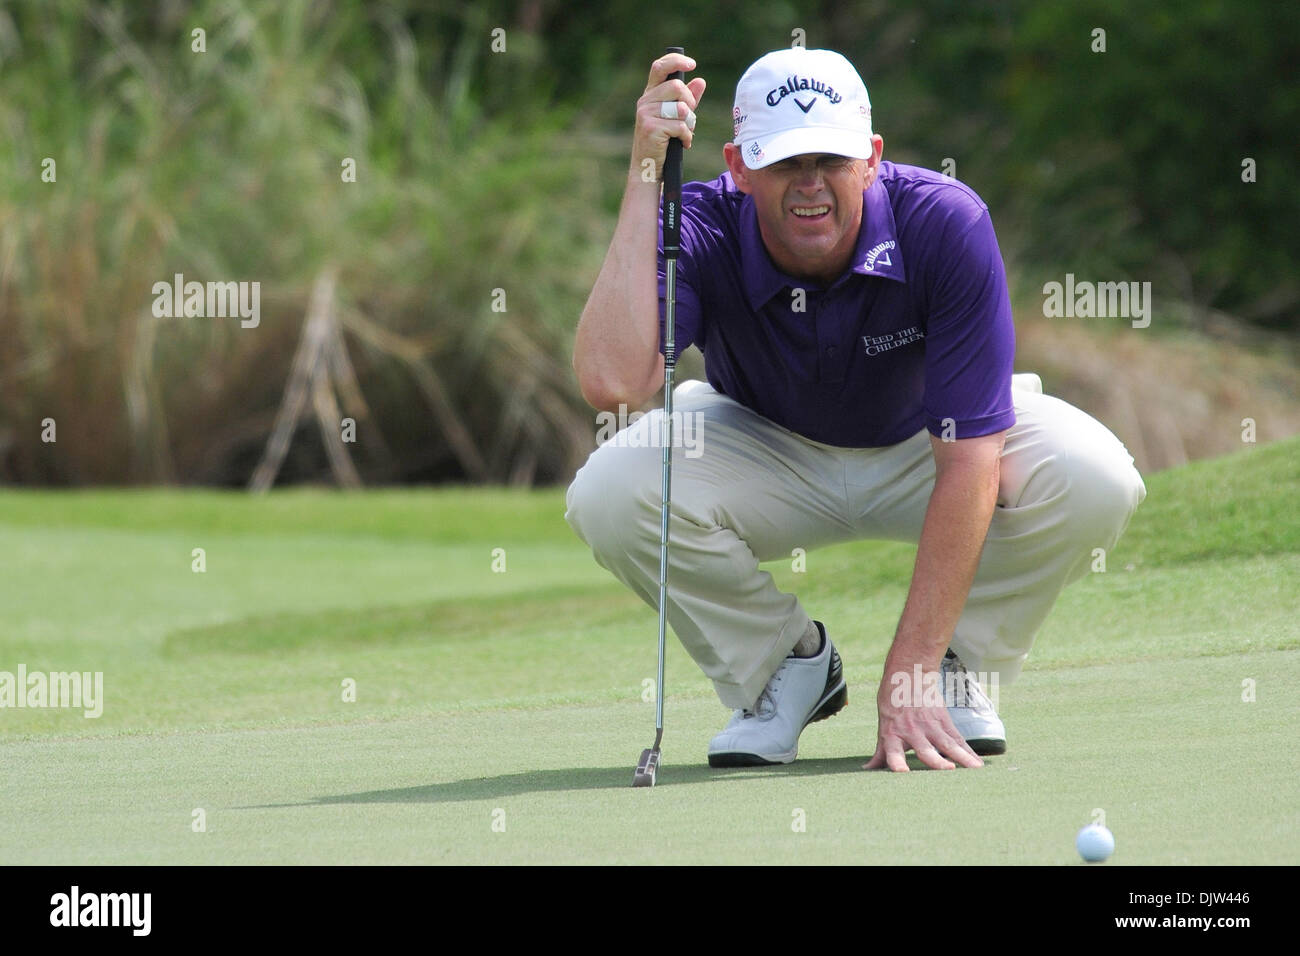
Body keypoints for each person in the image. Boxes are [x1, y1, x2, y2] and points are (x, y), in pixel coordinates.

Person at [565, 48, 1146, 772]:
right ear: (738, 167)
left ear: (870, 159)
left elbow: (969, 457)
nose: (809, 185)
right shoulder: (701, 225)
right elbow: (611, 381)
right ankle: (785, 669)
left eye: (830, 160)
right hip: (762, 444)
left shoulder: (944, 222)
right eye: (783, 163)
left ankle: (953, 668)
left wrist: (908, 669)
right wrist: (646, 178)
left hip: (926, 448)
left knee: (1096, 476)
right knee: (608, 493)